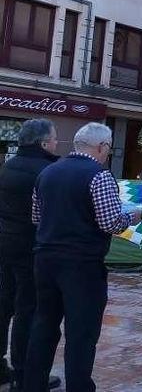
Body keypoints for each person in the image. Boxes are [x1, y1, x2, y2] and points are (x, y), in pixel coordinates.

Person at [25, 123, 141, 392]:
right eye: (108, 149)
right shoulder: (99, 175)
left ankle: (33, 384)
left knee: (44, 324)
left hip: (45, 260)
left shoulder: (48, 172)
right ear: (101, 147)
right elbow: (110, 222)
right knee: (81, 332)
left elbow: (35, 217)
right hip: (82, 265)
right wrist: (132, 217)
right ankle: (79, 386)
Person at [0, 120, 61, 391]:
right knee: (28, 308)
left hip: (5, 243)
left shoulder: (7, 167)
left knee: (4, 304)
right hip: (32, 247)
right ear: (43, 142)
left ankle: (2, 367)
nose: (57, 143)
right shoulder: (47, 171)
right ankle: (23, 372)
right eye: (55, 139)